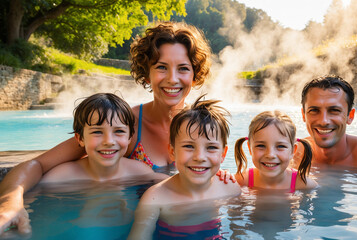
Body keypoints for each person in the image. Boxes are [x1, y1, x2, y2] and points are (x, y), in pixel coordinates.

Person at [0, 22, 233, 234]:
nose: (172, 78)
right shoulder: (122, 125)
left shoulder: (201, 129)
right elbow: (37, 165)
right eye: (161, 67)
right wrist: (11, 203)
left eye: (183, 68)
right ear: (147, 72)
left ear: (194, 74)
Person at [127, 96, 241, 240]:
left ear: (223, 154)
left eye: (211, 147)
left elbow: (238, 231)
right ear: (172, 151)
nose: (199, 157)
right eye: (188, 146)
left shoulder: (230, 189)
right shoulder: (155, 198)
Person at [40, 93, 167, 184]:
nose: (109, 141)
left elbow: (169, 184)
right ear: (80, 138)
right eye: (97, 132)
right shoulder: (61, 176)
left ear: (130, 137)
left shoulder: (138, 171)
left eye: (118, 131)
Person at [234, 110, 317, 191]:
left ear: (293, 151)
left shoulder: (303, 184)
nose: (270, 155)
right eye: (261, 146)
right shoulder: (243, 180)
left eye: (280, 146)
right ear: (250, 148)